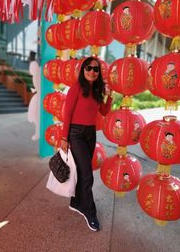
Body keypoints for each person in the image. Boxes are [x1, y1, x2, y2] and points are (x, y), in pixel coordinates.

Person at [60, 56, 112, 231]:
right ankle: (90, 211)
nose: (92, 71)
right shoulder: (76, 88)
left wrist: (109, 96)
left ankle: (76, 202)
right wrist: (63, 138)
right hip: (76, 134)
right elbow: (67, 114)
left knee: (83, 172)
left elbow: (104, 111)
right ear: (83, 70)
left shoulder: (97, 91)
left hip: (90, 134)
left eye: (96, 69)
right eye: (88, 68)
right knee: (88, 175)